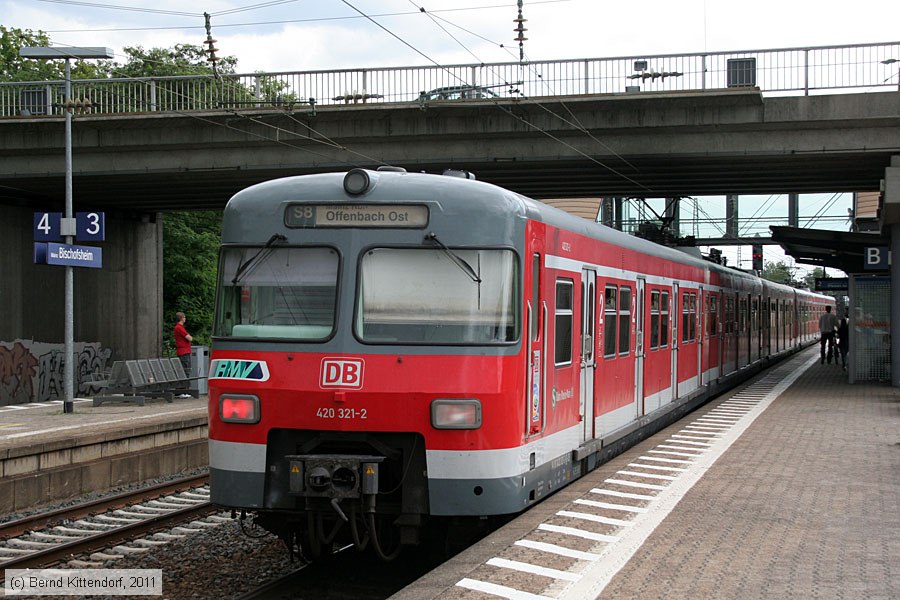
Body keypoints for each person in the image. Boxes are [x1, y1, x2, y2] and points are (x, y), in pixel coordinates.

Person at [173, 312, 193, 397]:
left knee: (185, 370)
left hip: (183, 351)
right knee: (185, 370)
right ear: (181, 318)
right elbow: (189, 338)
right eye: (184, 317)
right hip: (184, 352)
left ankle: (182, 390)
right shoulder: (179, 327)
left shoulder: (179, 327)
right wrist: (190, 337)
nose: (185, 319)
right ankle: (183, 391)